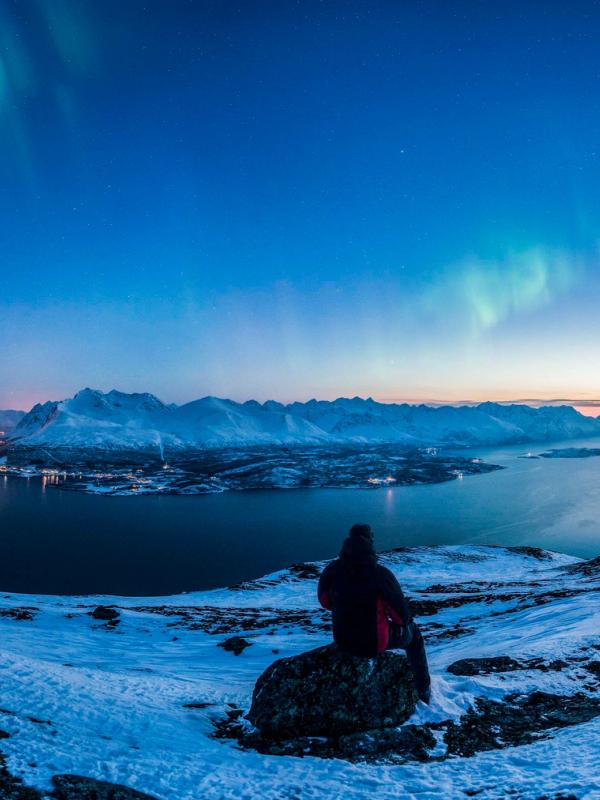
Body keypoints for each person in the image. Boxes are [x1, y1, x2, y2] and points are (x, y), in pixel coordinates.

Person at [317, 522, 431, 703]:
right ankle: (423, 689)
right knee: (414, 637)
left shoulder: (332, 570)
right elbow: (401, 618)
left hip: (342, 640)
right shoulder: (380, 574)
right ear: (370, 542)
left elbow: (324, 601)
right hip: (374, 643)